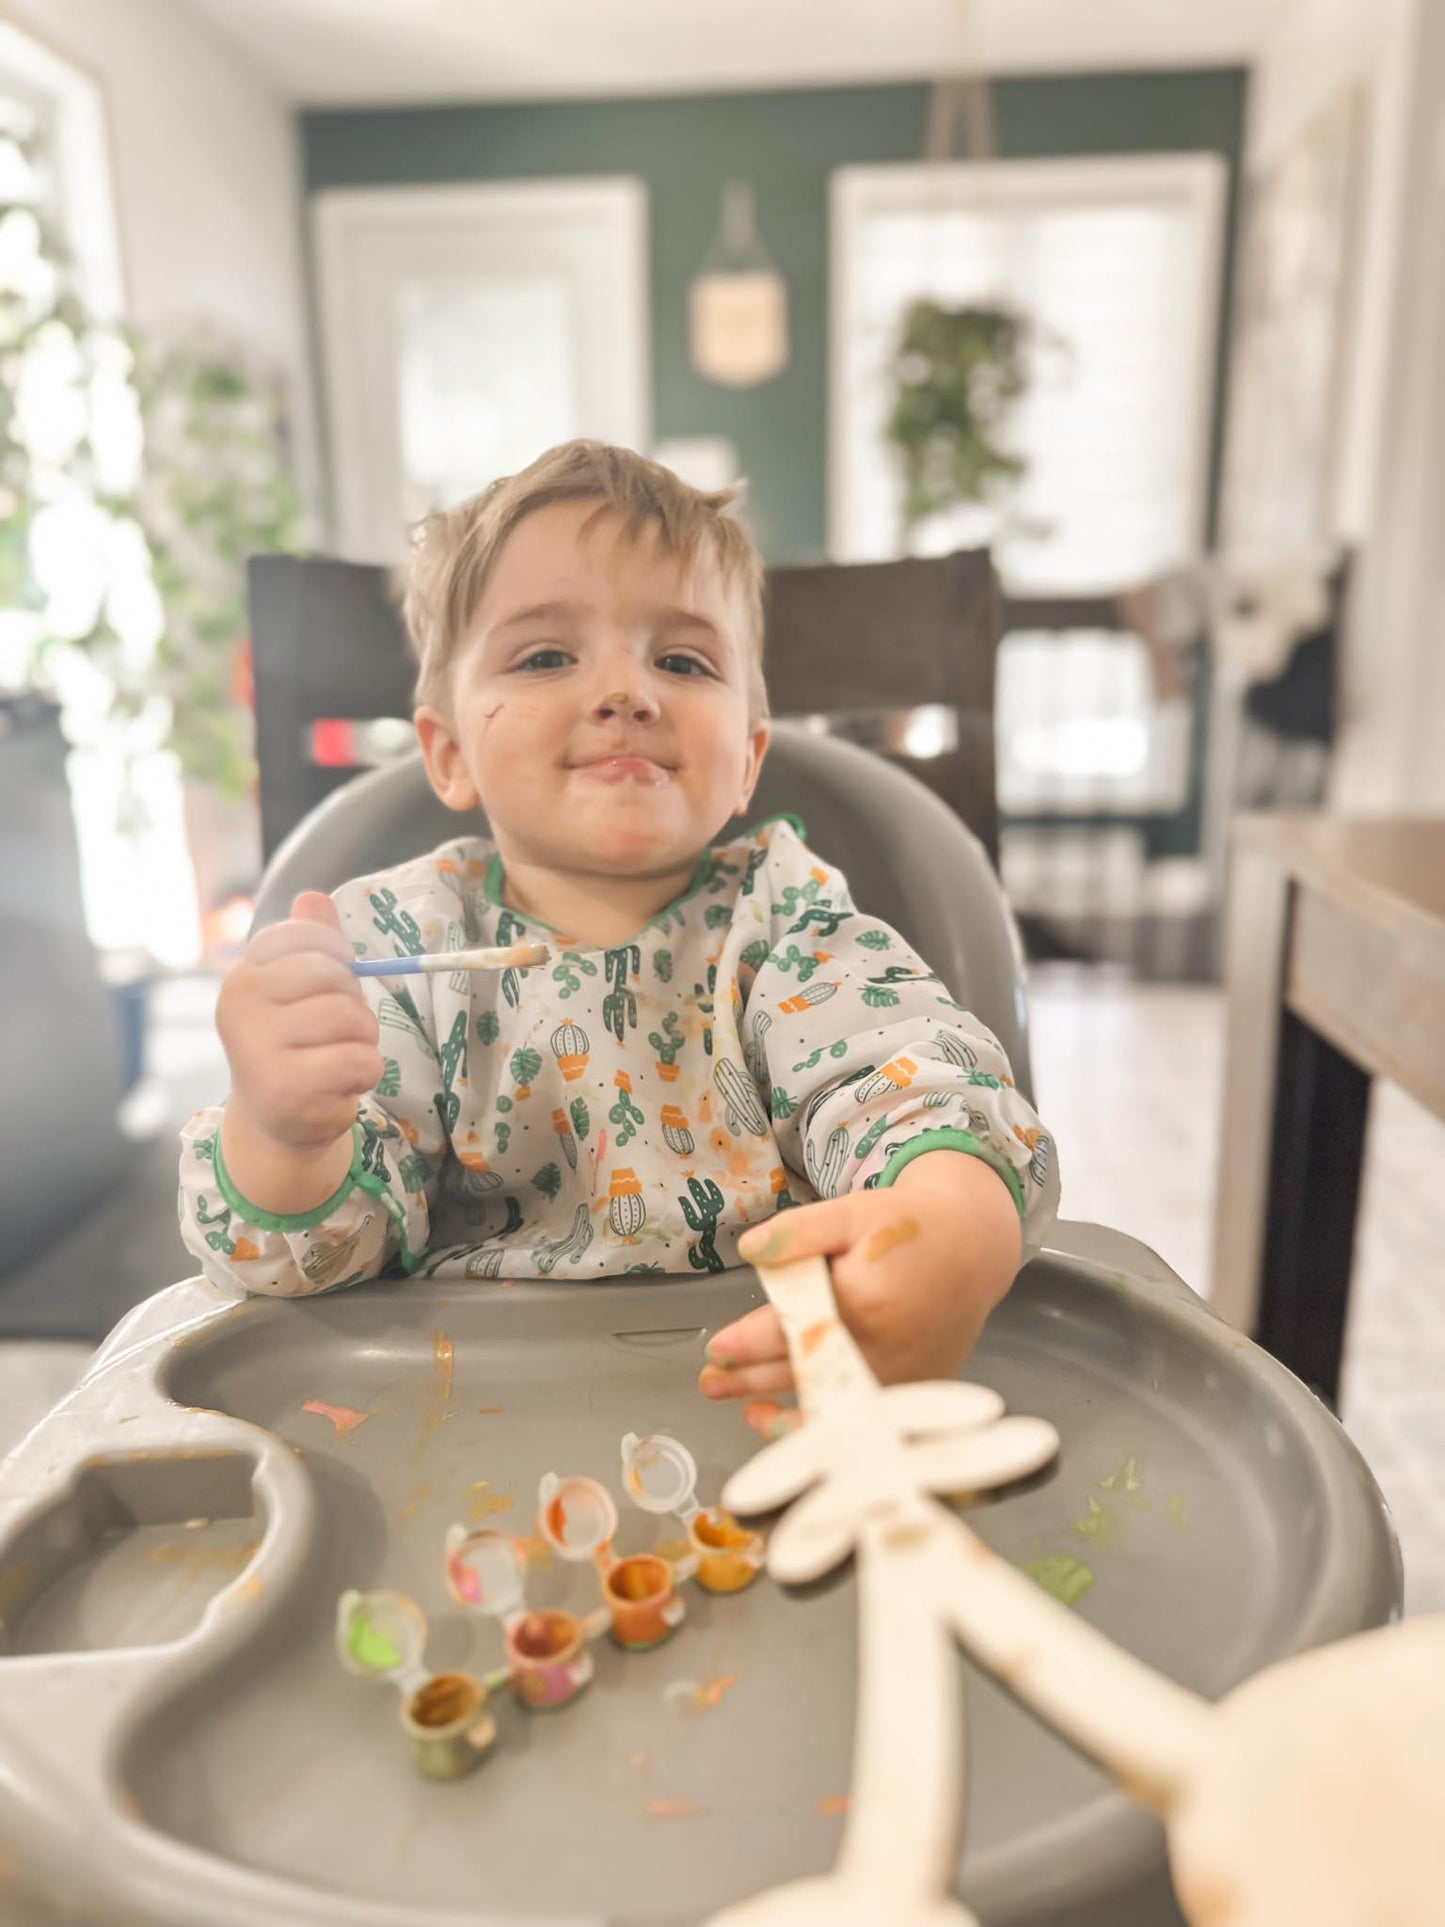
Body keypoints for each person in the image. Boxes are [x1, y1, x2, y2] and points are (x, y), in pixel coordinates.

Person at [178, 441, 1059, 1433]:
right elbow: (318, 1261)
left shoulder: (784, 921)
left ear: (745, 762)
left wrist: (944, 1229)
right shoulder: (394, 944)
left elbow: (904, 1081)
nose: (625, 691)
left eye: (681, 660)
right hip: (458, 1425)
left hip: (764, 1399)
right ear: (449, 751)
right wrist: (284, 1132)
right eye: (546, 655)